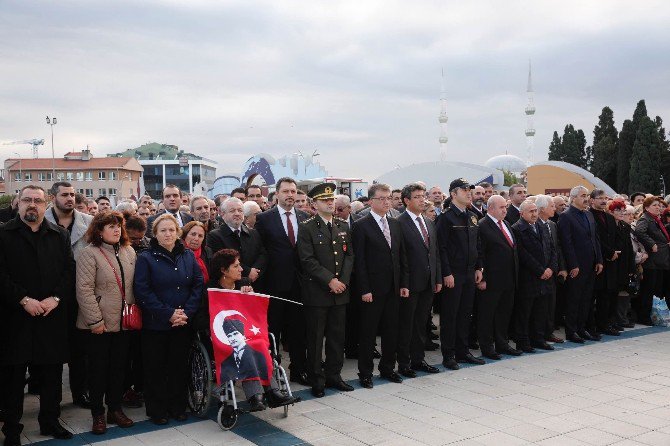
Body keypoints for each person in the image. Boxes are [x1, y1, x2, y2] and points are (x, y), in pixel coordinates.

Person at [0, 185, 76, 444]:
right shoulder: (3, 234)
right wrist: (23, 300)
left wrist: (55, 299)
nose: (32, 205)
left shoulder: (59, 235)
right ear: (17, 204)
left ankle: (50, 421)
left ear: (47, 204)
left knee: (52, 376)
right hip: (15, 319)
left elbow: (69, 271)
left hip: (50, 316)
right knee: (13, 379)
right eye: (27, 200)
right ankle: (11, 429)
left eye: (37, 201)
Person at [205, 249, 296, 411]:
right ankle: (256, 396)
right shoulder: (210, 289)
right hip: (224, 337)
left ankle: (272, 392)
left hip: (248, 332)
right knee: (245, 349)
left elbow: (254, 315)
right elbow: (201, 320)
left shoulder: (244, 283)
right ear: (224, 270)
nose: (241, 269)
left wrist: (250, 298)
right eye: (236, 266)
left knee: (260, 345)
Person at [134, 214, 203, 425]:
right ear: (154, 233)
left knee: (178, 367)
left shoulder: (188, 256)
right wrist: (168, 314)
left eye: (172, 230)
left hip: (183, 323)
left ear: (178, 232)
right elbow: (142, 291)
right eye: (163, 230)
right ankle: (157, 409)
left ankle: (177, 406)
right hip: (156, 324)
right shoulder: (146, 258)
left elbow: (197, 285)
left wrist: (186, 313)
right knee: (155, 368)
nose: (168, 234)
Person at [76, 211, 136, 434]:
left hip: (124, 323)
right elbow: (83, 290)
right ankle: (97, 414)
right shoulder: (88, 254)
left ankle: (115, 409)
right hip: (98, 325)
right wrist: (95, 320)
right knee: (98, 372)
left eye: (118, 225)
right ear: (99, 231)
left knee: (118, 369)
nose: (116, 229)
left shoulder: (129, 251)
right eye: (110, 226)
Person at [297, 183, 355, 397]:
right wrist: (330, 280)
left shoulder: (342, 225)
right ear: (314, 204)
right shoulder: (307, 227)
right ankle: (317, 379)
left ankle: (334, 375)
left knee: (337, 337)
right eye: (325, 200)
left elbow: (349, 256)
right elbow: (307, 260)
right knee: (315, 338)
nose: (330, 203)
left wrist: (343, 281)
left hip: (340, 291)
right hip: (318, 292)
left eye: (331, 199)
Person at [352, 183, 409, 389]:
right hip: (372, 291)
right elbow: (360, 262)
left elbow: (401, 256)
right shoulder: (361, 225)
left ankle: (388, 368)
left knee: (391, 331)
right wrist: (365, 289)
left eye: (388, 198)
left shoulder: (395, 224)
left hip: (393, 288)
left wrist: (403, 283)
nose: (386, 202)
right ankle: (365, 373)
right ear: (370, 201)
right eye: (381, 198)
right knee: (368, 334)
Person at [254, 177, 309, 386]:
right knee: (273, 331)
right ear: (277, 194)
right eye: (286, 191)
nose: (290, 195)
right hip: (274, 285)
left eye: (293, 191)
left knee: (298, 330)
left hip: (300, 284)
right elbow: (261, 251)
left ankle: (299, 370)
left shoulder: (305, 217)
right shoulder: (264, 219)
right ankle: (273, 372)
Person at [44, 182, 93, 409]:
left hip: (80, 293)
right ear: (53, 197)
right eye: (64, 195)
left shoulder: (89, 223)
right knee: (51, 349)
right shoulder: (41, 221)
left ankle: (79, 392)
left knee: (80, 348)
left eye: (72, 194)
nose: (70, 198)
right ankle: (50, 399)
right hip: (51, 294)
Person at [436, 178, 484, 369]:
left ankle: (463, 351)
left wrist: (479, 267)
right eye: (464, 190)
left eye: (469, 189)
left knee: (465, 314)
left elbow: (477, 244)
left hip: (469, 273)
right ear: (453, 194)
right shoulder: (446, 218)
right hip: (453, 274)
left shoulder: (472, 216)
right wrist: (446, 273)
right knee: (450, 315)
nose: (468, 192)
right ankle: (449, 355)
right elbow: (442, 248)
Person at [396, 183, 442, 376]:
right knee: (407, 324)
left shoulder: (429, 222)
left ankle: (418, 359)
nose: (422, 199)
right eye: (417, 196)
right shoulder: (399, 223)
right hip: (410, 284)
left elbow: (435, 253)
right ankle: (404, 363)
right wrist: (404, 283)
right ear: (406, 200)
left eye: (423, 196)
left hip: (428, 282)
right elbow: (400, 257)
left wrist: (437, 278)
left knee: (422, 323)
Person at [476, 195, 520, 360]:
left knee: (504, 313)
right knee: (487, 315)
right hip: (491, 281)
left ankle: (502, 343)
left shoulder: (506, 224)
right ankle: (487, 347)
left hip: (508, 279)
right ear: (490, 208)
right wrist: (483, 278)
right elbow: (480, 254)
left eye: (505, 207)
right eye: (501, 207)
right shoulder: (482, 226)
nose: (505, 210)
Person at [558, 186, 604, 343]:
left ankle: (582, 328)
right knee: (574, 299)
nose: (586, 198)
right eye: (583, 195)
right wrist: (573, 265)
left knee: (586, 299)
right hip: (576, 266)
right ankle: (572, 331)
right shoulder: (566, 216)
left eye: (587, 195)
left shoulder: (589, 214)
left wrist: (599, 260)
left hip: (591, 265)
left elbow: (595, 239)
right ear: (573, 197)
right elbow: (566, 243)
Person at [512, 200, 557, 352]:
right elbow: (523, 255)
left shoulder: (542, 226)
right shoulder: (517, 229)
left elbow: (551, 248)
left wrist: (551, 268)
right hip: (530, 277)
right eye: (530, 211)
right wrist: (540, 270)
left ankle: (538, 339)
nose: (534, 214)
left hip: (546, 277)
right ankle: (523, 342)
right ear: (522, 213)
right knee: (525, 312)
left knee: (541, 310)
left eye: (535, 211)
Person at [119, 216, 148, 408]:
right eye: (133, 238)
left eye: (140, 239)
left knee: (140, 354)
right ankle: (124, 390)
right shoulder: (119, 249)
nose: (137, 242)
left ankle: (139, 388)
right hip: (124, 309)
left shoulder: (147, 248)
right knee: (124, 355)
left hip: (143, 309)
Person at [207, 197, 267, 288]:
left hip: (256, 283)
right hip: (232, 287)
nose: (237, 214)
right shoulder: (215, 236)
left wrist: (255, 271)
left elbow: (262, 254)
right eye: (232, 211)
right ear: (223, 214)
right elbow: (223, 261)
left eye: (240, 210)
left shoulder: (254, 233)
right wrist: (248, 272)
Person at [633, 196, 670, 325]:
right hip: (652, 262)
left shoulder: (656, 220)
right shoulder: (646, 219)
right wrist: (651, 243)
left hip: (661, 261)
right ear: (647, 207)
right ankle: (644, 316)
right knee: (648, 291)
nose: (658, 207)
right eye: (655, 205)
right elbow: (639, 231)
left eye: (659, 205)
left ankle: (653, 314)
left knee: (656, 290)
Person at [589, 189, 621, 336]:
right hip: (597, 261)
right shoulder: (589, 216)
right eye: (599, 198)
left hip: (611, 262)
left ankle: (606, 324)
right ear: (592, 200)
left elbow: (614, 237)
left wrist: (614, 252)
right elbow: (595, 239)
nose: (603, 201)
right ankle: (592, 325)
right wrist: (609, 252)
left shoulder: (608, 217)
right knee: (594, 296)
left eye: (604, 198)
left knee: (607, 295)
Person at [535, 195, 566, 343]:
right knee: (540, 307)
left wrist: (556, 267)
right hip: (539, 273)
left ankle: (549, 332)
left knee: (550, 304)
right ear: (542, 209)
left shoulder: (552, 225)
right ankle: (539, 335)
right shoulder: (534, 225)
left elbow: (556, 248)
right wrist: (543, 269)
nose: (555, 208)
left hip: (551, 271)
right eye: (552, 206)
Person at [610, 200, 638, 330]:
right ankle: (615, 319)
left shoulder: (625, 226)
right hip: (613, 264)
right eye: (618, 210)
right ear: (611, 212)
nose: (622, 213)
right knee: (614, 293)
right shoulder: (610, 226)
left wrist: (631, 267)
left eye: (623, 210)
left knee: (624, 291)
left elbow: (629, 249)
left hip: (624, 264)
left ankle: (621, 319)